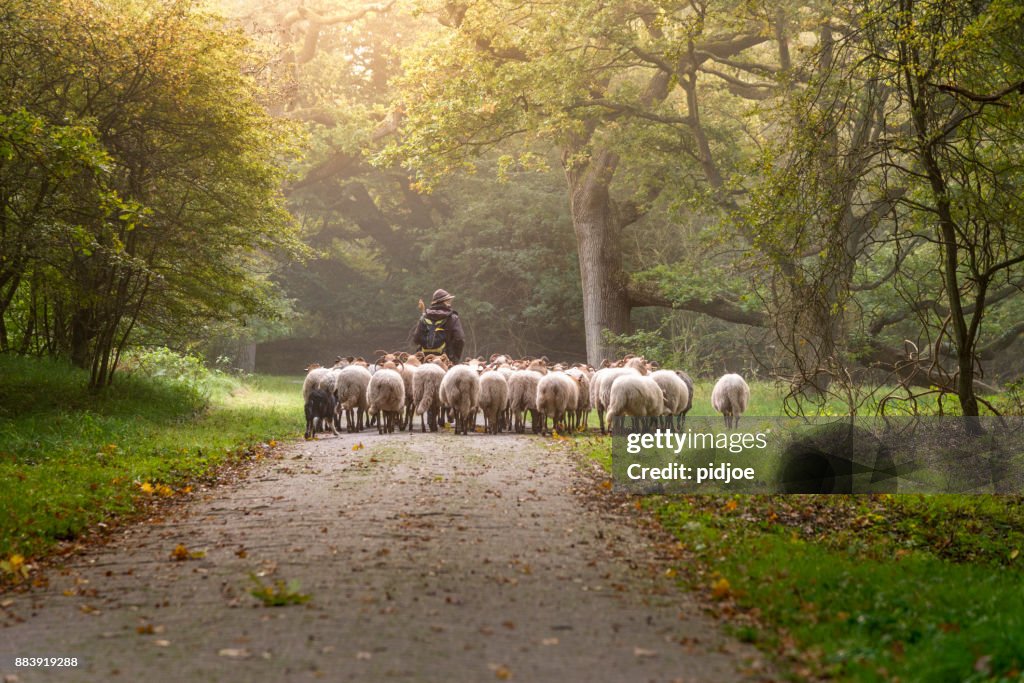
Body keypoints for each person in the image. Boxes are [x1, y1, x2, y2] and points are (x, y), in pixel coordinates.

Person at [413, 289, 465, 361]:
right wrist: (455, 359)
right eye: (448, 301)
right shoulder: (453, 318)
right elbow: (459, 339)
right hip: (445, 359)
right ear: (445, 302)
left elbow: (416, 339)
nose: (450, 303)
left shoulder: (424, 317)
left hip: (425, 359)